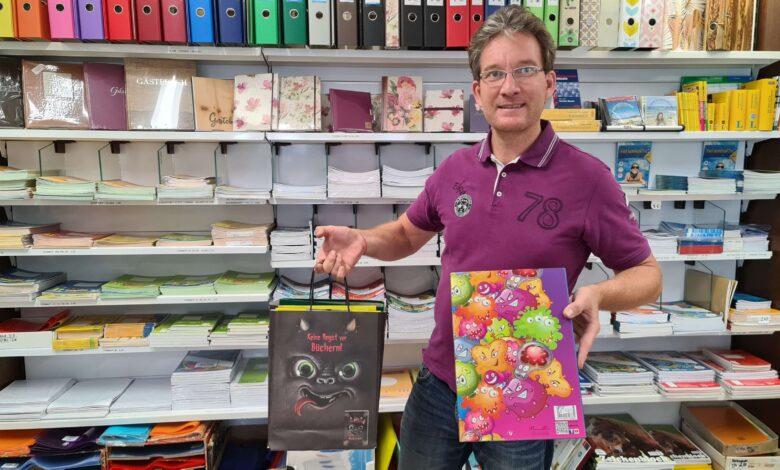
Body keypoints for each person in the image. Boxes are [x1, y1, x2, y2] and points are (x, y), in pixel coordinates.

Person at [313, 5, 662, 469]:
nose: (509, 86)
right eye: (495, 73)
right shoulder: (454, 169)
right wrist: (363, 239)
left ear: (549, 83)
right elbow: (405, 234)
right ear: (477, 92)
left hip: (525, 386)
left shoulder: (589, 180)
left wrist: (599, 293)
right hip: (440, 381)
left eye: (524, 70)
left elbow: (648, 274)